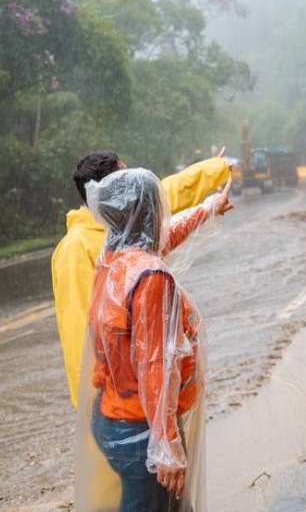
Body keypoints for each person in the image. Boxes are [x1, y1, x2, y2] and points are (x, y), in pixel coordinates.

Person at [82, 168, 233, 512]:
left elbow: (164, 237)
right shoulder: (151, 278)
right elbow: (156, 364)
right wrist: (165, 446)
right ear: (150, 211)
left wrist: (209, 207)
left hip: (111, 413)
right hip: (142, 431)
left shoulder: (114, 258)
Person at [51, 151, 230, 410]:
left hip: (149, 391)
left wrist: (213, 178)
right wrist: (92, 405)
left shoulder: (125, 230)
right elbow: (77, 330)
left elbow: (167, 195)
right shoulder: (75, 248)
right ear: (113, 191)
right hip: (118, 405)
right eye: (126, 176)